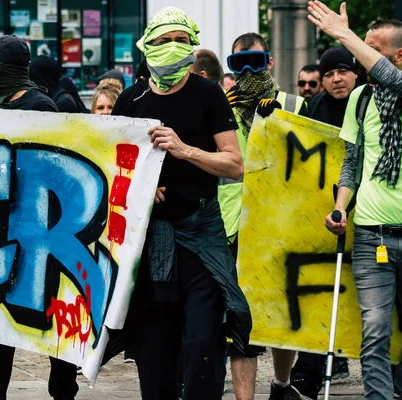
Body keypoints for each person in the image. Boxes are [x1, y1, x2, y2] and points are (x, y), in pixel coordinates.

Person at [112, 7, 252, 400]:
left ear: (193, 45)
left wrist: (186, 149)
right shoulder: (131, 98)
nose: (172, 48)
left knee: (204, 341)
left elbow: (234, 165)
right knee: (154, 348)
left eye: (180, 40)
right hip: (150, 240)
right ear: (145, 46)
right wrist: (141, 186)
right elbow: (113, 167)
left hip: (201, 234)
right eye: (161, 40)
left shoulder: (208, 94)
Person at [0, 35, 79, 400]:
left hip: (41, 237)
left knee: (49, 319)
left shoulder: (41, 107)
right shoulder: (4, 108)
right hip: (8, 234)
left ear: (0, 70)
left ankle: (64, 388)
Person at [323, 18, 402, 400]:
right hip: (374, 235)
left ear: (399, 56)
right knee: (375, 329)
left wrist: (345, 35)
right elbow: (351, 162)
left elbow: (394, 79)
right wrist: (340, 207)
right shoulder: (361, 98)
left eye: (368, 52)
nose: (360, 61)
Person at [223, 32, 307, 400]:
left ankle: (281, 385)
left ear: (269, 62)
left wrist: (280, 120)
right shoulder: (221, 106)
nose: (247, 71)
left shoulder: (294, 103)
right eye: (239, 64)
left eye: (255, 62)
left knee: (278, 314)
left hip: (278, 222)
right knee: (239, 318)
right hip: (233, 222)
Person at [288, 46, 358, 399]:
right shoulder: (314, 107)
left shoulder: (368, 104)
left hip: (368, 215)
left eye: (342, 71)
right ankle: (307, 373)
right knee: (317, 295)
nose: (335, 79)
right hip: (322, 217)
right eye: (329, 73)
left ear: (356, 74)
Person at [308, 1, 402, 98]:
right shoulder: (361, 96)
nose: (363, 57)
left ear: (400, 56)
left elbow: (392, 78)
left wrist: (344, 34)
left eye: (372, 51)